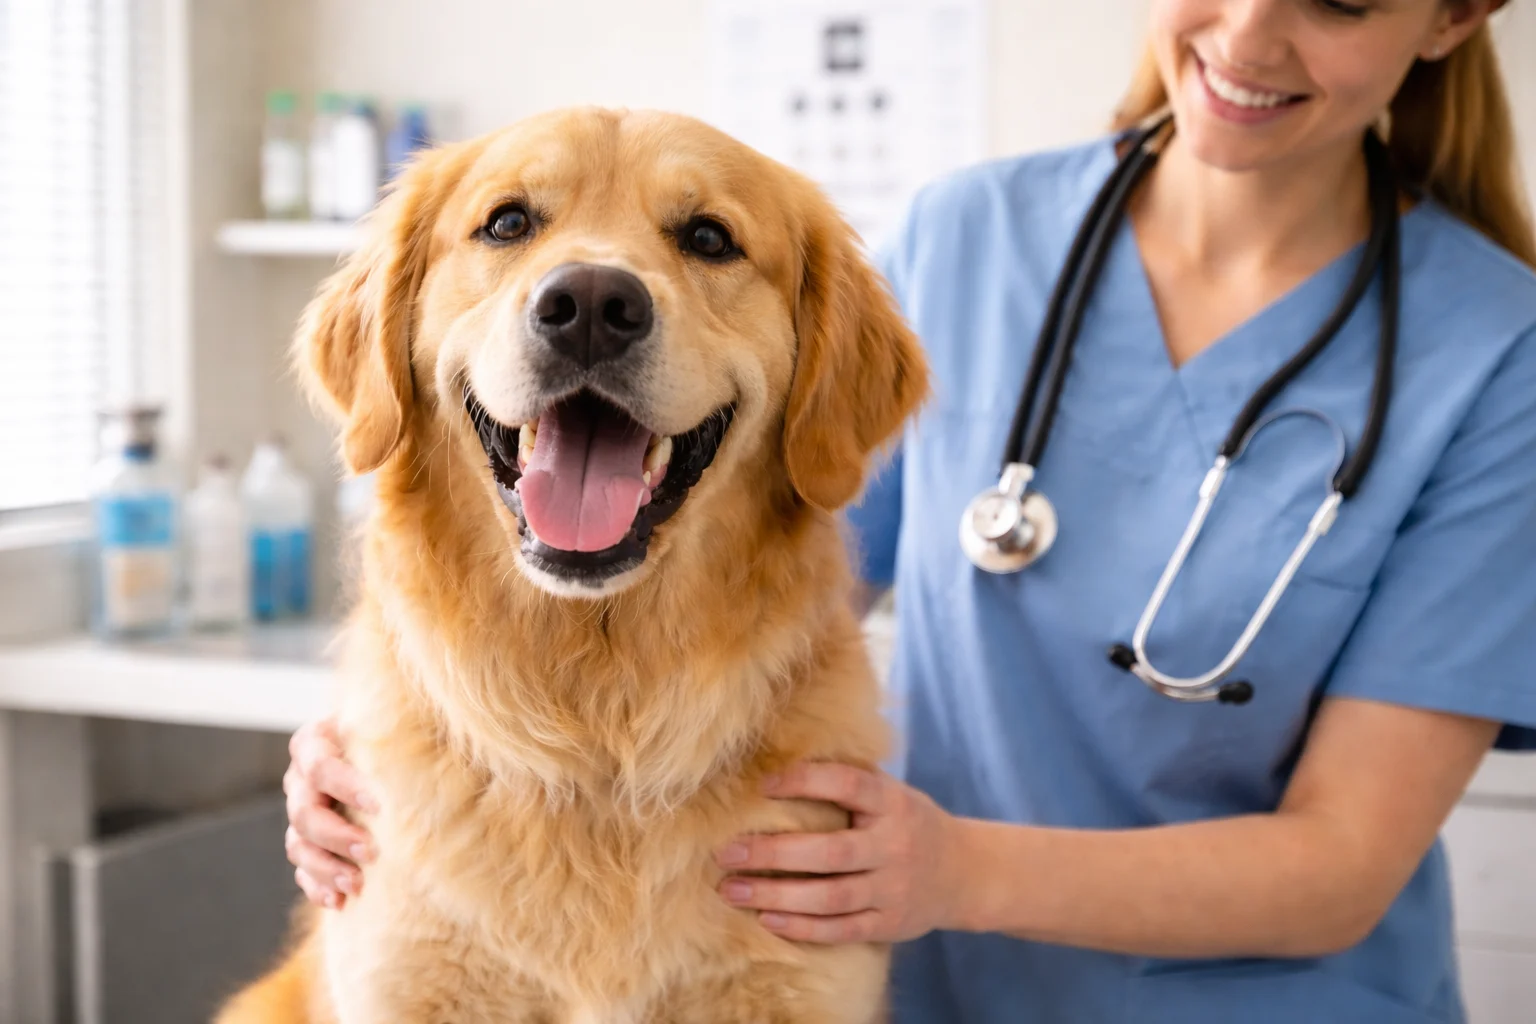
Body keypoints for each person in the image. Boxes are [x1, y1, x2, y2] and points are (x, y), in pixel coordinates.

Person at [282, 1, 1536, 1019]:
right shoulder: (969, 233)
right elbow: (738, 579)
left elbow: (1340, 869)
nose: (1251, 35)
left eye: (1339, 2)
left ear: (1453, 17)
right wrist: (389, 730)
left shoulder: (1499, 356)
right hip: (935, 984)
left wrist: (957, 867)